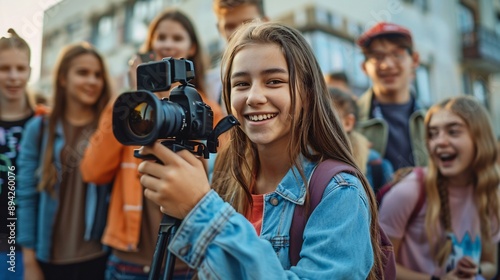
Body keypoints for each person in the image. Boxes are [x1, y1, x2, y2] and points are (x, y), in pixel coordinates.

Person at [137, 21, 383, 279]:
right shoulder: (223, 175)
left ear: (308, 92)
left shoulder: (340, 192)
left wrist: (201, 209)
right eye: (241, 84)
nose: (254, 97)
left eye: (274, 81)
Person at [81, 9, 223, 280]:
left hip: (189, 259)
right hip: (129, 259)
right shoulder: (130, 104)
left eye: (177, 37)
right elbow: (92, 170)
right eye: (161, 37)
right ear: (149, 46)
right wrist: (137, 100)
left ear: (191, 47)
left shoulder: (207, 108)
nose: (168, 44)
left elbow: (225, 177)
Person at [16, 42, 113, 280]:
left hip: (100, 256)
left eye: (98, 75)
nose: (92, 81)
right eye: (82, 73)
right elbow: (24, 195)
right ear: (62, 78)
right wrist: (28, 260)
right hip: (49, 257)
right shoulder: (38, 129)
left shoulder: (111, 127)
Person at [379, 96, 500, 279]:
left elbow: (490, 264)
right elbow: (380, 266)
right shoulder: (409, 191)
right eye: (433, 134)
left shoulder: (491, 192)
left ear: (480, 138)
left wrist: (476, 270)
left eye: (453, 132)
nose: (439, 142)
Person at [356, 22, 427, 170]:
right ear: (364, 67)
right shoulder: (349, 121)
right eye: (378, 56)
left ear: (414, 60)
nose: (387, 64)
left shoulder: (432, 121)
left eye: (397, 54)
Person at [0, 28, 34, 280]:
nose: (13, 77)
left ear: (29, 72)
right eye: (4, 68)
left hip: (29, 247)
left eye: (20, 69)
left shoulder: (44, 122)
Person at [329, 87, 393, 193]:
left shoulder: (376, 165)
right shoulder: (302, 162)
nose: (317, 124)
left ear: (348, 123)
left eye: (326, 117)